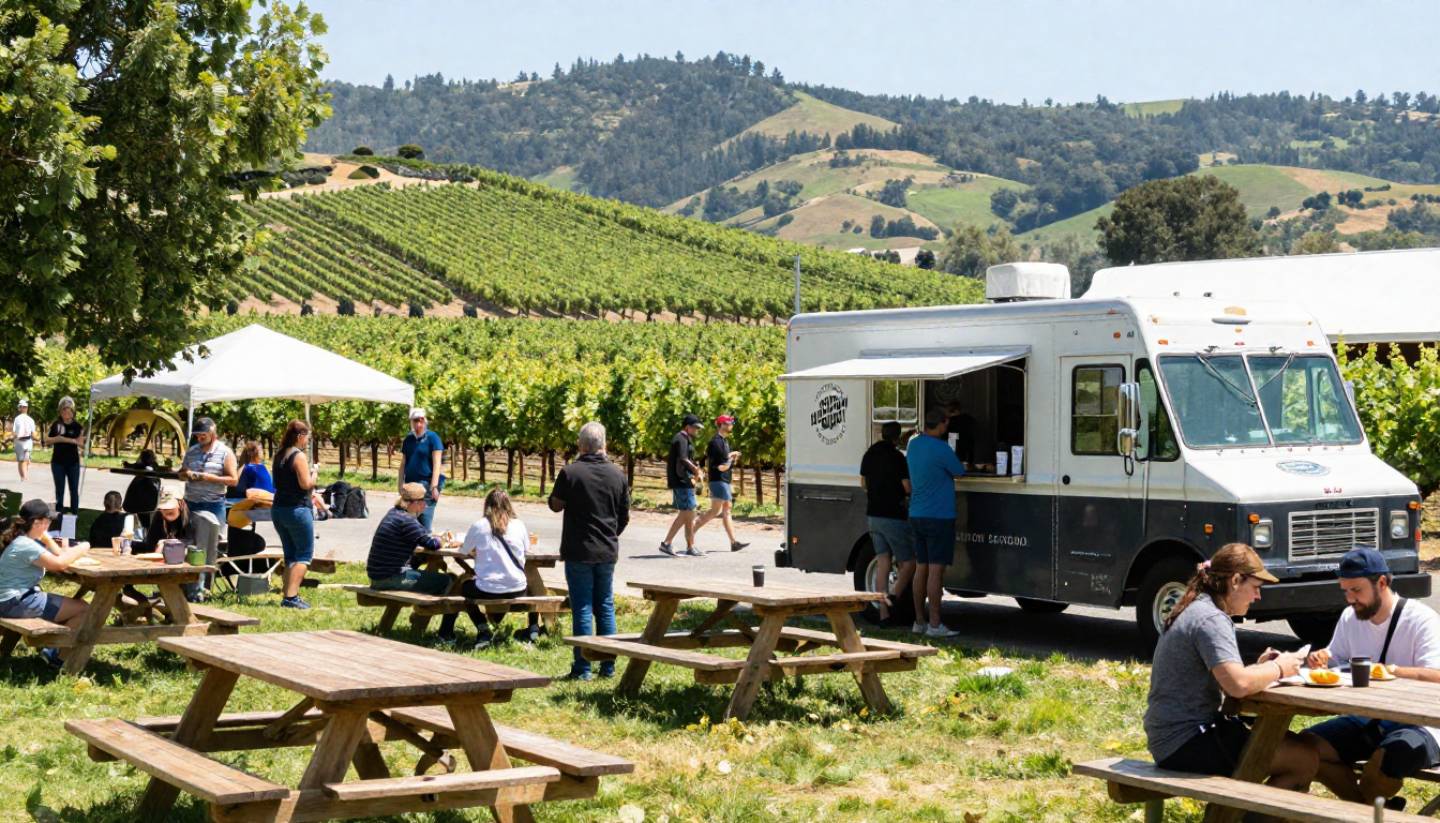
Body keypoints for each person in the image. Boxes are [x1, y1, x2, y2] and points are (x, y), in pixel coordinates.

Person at [1145, 543, 1316, 793]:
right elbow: (1239, 685)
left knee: (1304, 746)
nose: (1257, 596)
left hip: (1173, 738)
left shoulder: (1198, 607)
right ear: (1235, 580)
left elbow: (1231, 677)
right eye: (1255, 588)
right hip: (1186, 742)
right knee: (1304, 758)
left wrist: (1257, 669)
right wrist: (1280, 667)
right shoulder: (1211, 618)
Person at [1302, 547, 1440, 808]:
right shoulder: (1350, 617)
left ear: (1382, 582)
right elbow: (1336, 659)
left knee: (1389, 760)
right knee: (1306, 748)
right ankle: (1371, 813)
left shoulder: (1422, 620)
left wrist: (1390, 671)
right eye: (1345, 591)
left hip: (1423, 724)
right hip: (1369, 718)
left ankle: (1369, 813)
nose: (1350, 599)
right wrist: (1321, 658)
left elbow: (1436, 675)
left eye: (1356, 590)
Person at [550, 422, 629, 681]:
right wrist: (609, 535)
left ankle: (583, 667)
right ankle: (608, 665)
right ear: (604, 445)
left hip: (578, 549)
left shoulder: (571, 473)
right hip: (606, 550)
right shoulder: (618, 475)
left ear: (581, 445)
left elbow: (555, 505)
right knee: (605, 605)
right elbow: (624, 516)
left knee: (582, 607)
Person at [0, 500, 91, 667]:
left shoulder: (23, 540)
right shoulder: (27, 545)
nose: (50, 524)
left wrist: (48, 539)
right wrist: (83, 546)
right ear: (36, 522)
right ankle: (55, 656)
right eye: (48, 521)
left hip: (9, 600)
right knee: (86, 610)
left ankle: (51, 648)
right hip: (16, 602)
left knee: (74, 607)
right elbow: (60, 564)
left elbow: (59, 556)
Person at [906, 408, 965, 638]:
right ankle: (935, 624)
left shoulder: (913, 444)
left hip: (917, 513)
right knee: (936, 571)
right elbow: (959, 471)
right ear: (940, 425)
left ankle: (919, 621)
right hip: (939, 516)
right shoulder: (941, 448)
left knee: (921, 568)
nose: (947, 428)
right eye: (946, 424)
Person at [458, 488, 542, 648]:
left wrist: (477, 551)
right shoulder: (519, 524)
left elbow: (463, 550)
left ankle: (483, 629)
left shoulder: (479, 525)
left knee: (463, 587)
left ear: (487, 506)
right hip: (517, 588)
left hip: (486, 589)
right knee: (533, 589)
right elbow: (526, 550)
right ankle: (533, 626)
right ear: (509, 505)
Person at [861, 421, 914, 625]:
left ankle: (883, 613)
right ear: (897, 438)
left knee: (883, 562)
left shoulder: (869, 454)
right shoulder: (897, 457)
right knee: (909, 563)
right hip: (893, 515)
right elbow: (907, 487)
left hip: (873, 515)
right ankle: (892, 597)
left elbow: (863, 483)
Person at [271, 419, 317, 609]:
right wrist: (315, 473)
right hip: (297, 509)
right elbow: (306, 484)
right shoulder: (298, 456)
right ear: (300, 436)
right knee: (304, 554)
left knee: (290, 554)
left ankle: (287, 594)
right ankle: (291, 597)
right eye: (308, 437)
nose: (308, 441)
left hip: (278, 509)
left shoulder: (279, 454)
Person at [693, 414, 748, 552]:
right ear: (722, 425)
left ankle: (734, 542)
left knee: (726, 509)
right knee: (715, 511)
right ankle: (691, 530)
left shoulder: (723, 441)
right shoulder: (716, 442)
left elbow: (723, 459)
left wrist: (731, 455)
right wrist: (731, 459)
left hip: (723, 480)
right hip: (718, 480)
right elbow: (721, 466)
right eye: (729, 423)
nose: (731, 426)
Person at [178, 417, 237, 531]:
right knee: (191, 541)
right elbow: (182, 473)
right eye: (197, 435)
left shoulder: (225, 452)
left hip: (213, 504)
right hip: (191, 503)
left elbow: (234, 480)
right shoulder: (192, 451)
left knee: (214, 542)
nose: (199, 438)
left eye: (203, 435)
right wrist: (184, 474)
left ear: (212, 433)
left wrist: (211, 478)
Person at [658, 414, 703, 557]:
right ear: (687, 427)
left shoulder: (685, 439)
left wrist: (696, 469)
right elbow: (683, 459)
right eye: (695, 428)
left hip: (685, 480)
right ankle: (666, 543)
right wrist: (696, 470)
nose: (697, 430)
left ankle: (690, 546)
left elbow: (687, 458)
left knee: (690, 513)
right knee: (687, 513)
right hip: (681, 480)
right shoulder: (681, 438)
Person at [401, 408, 444, 531]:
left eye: (421, 420)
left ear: (425, 421)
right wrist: (400, 484)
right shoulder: (408, 439)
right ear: (411, 422)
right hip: (410, 485)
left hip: (426, 484)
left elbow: (437, 464)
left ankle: (426, 546)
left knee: (424, 520)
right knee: (409, 523)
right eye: (415, 421)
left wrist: (434, 487)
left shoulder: (433, 438)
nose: (418, 424)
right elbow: (403, 463)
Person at [46, 396, 84, 514]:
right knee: (59, 490)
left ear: (73, 412)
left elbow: (81, 444)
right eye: (64, 410)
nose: (67, 412)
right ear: (60, 412)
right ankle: (59, 512)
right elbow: (47, 441)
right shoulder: (56, 425)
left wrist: (61, 439)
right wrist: (61, 439)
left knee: (74, 489)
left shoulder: (77, 426)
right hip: (58, 462)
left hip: (73, 463)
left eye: (69, 410)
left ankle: (74, 513)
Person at [122, 449, 163, 515]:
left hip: (133, 507)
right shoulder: (153, 467)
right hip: (149, 508)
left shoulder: (142, 469)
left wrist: (128, 464)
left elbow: (134, 466)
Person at [12, 399, 35, 482]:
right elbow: (14, 432)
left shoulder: (30, 419)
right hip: (20, 441)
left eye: (25, 407)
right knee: (22, 460)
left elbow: (33, 433)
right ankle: (23, 477)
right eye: (23, 407)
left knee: (25, 460)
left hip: (27, 441)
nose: (24, 408)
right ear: (20, 408)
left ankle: (24, 477)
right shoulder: (17, 419)